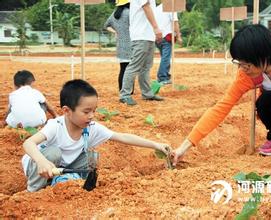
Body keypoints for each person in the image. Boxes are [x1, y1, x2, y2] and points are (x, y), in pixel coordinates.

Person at [172, 24, 271, 165]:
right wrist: (184, 146)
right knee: (265, 101)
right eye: (239, 63)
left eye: (245, 63)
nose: (242, 68)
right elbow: (221, 107)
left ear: (263, 56)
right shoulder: (246, 76)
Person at [22, 79, 171, 192]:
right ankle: (34, 190)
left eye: (94, 110)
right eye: (86, 112)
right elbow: (28, 143)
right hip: (38, 164)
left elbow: (123, 137)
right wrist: (41, 161)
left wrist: (155, 144)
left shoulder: (90, 127)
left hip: (62, 166)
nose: (92, 116)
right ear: (67, 111)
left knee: (92, 157)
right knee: (53, 153)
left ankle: (63, 182)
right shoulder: (56, 126)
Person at [119, 0, 164, 106]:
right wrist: (156, 28)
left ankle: (147, 93)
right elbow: (146, 7)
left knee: (146, 67)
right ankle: (125, 95)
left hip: (148, 35)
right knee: (134, 66)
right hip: (141, 35)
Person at [104, 0, 134, 94]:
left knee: (123, 68)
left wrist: (115, 32)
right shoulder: (130, 13)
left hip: (120, 44)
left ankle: (122, 89)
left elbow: (106, 26)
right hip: (131, 43)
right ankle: (129, 90)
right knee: (130, 69)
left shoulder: (115, 14)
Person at [154, 1, 182, 85]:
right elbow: (175, 23)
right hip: (166, 37)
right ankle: (162, 77)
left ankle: (165, 75)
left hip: (158, 37)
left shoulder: (157, 8)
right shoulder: (171, 7)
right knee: (166, 58)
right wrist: (179, 36)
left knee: (165, 57)